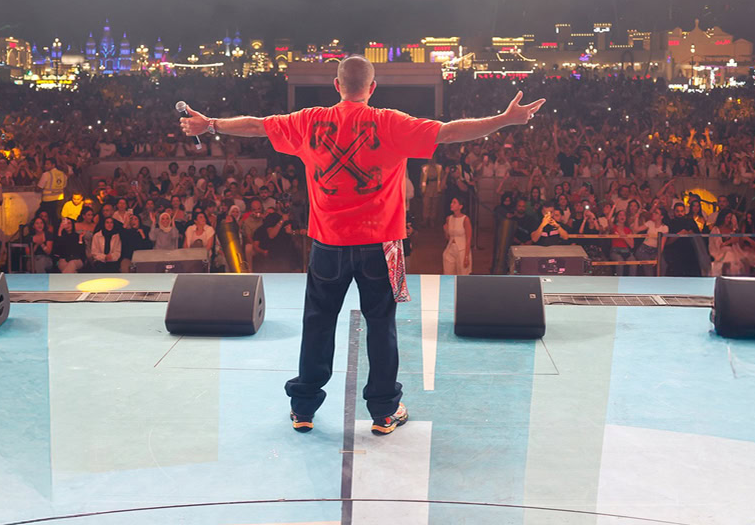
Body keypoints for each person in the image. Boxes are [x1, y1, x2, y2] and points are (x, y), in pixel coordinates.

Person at [179, 55, 543, 436]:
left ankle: (303, 408)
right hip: (385, 246)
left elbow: (256, 125)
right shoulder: (391, 122)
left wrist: (211, 123)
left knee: (317, 324)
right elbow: (450, 132)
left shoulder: (308, 121)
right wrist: (505, 119)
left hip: (327, 244)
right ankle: (384, 411)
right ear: (372, 88)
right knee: (382, 326)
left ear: (337, 86)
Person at [441, 196, 472, 275]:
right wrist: (445, 230)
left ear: (460, 206)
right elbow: (448, 237)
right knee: (448, 273)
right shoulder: (449, 218)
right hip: (450, 248)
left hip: (462, 250)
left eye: (454, 203)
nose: (451, 204)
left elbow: (468, 239)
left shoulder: (465, 219)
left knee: (462, 274)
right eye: (451, 202)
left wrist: (466, 256)